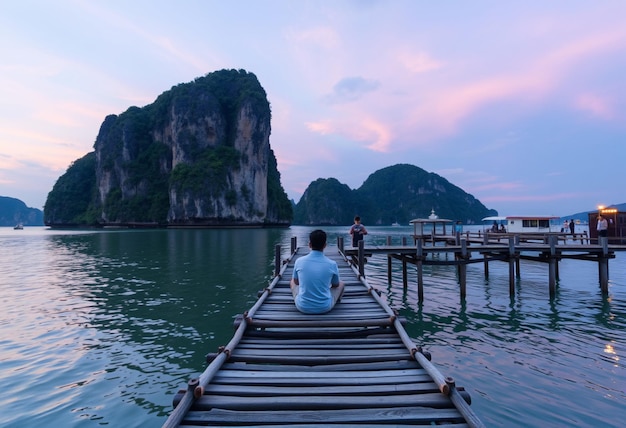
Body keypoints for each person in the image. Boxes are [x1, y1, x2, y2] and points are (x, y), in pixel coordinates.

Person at [290, 229, 345, 314]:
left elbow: (296, 282)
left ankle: (302, 296)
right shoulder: (332, 264)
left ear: (309, 245)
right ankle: (336, 300)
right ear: (325, 245)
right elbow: (335, 285)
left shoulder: (299, 261)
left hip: (302, 307)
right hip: (325, 307)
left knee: (292, 282)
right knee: (341, 284)